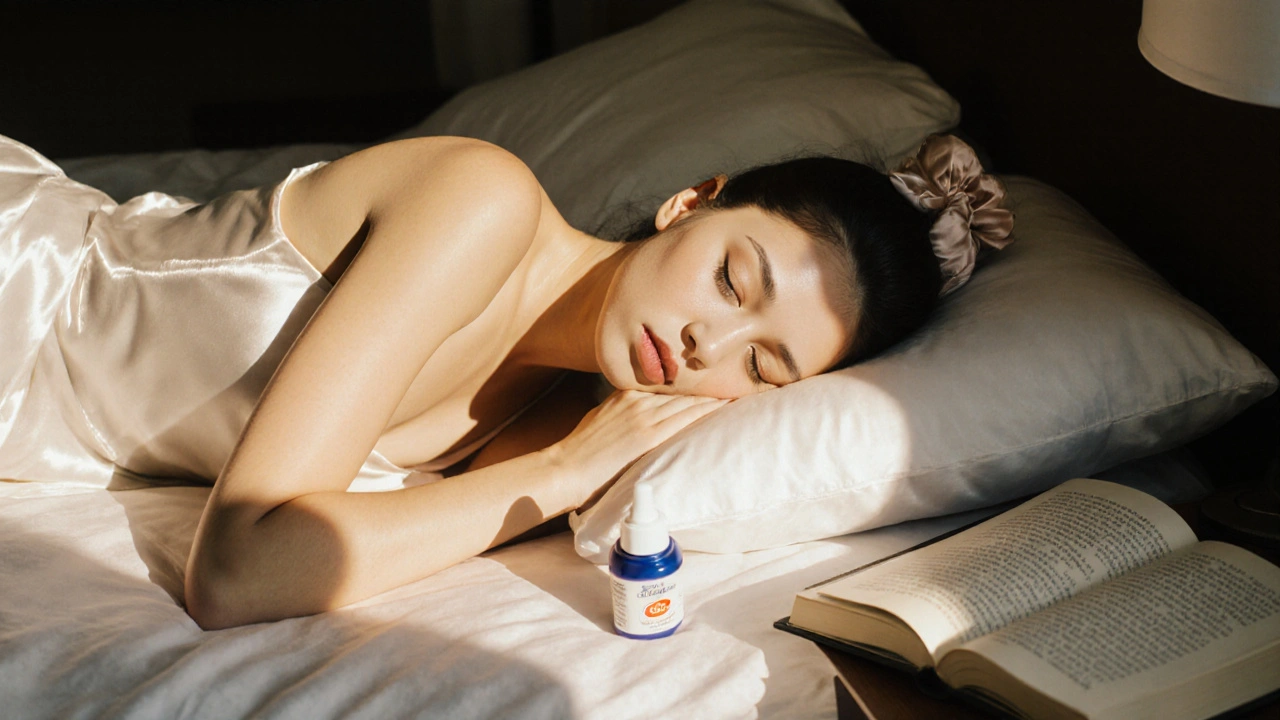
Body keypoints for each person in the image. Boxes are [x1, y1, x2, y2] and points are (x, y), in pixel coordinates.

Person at [0, 132, 1012, 629]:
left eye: (761, 363)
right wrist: (570, 467)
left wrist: (572, 468)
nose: (708, 342)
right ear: (686, 204)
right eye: (729, 276)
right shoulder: (477, 202)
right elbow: (237, 574)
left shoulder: (576, 426)